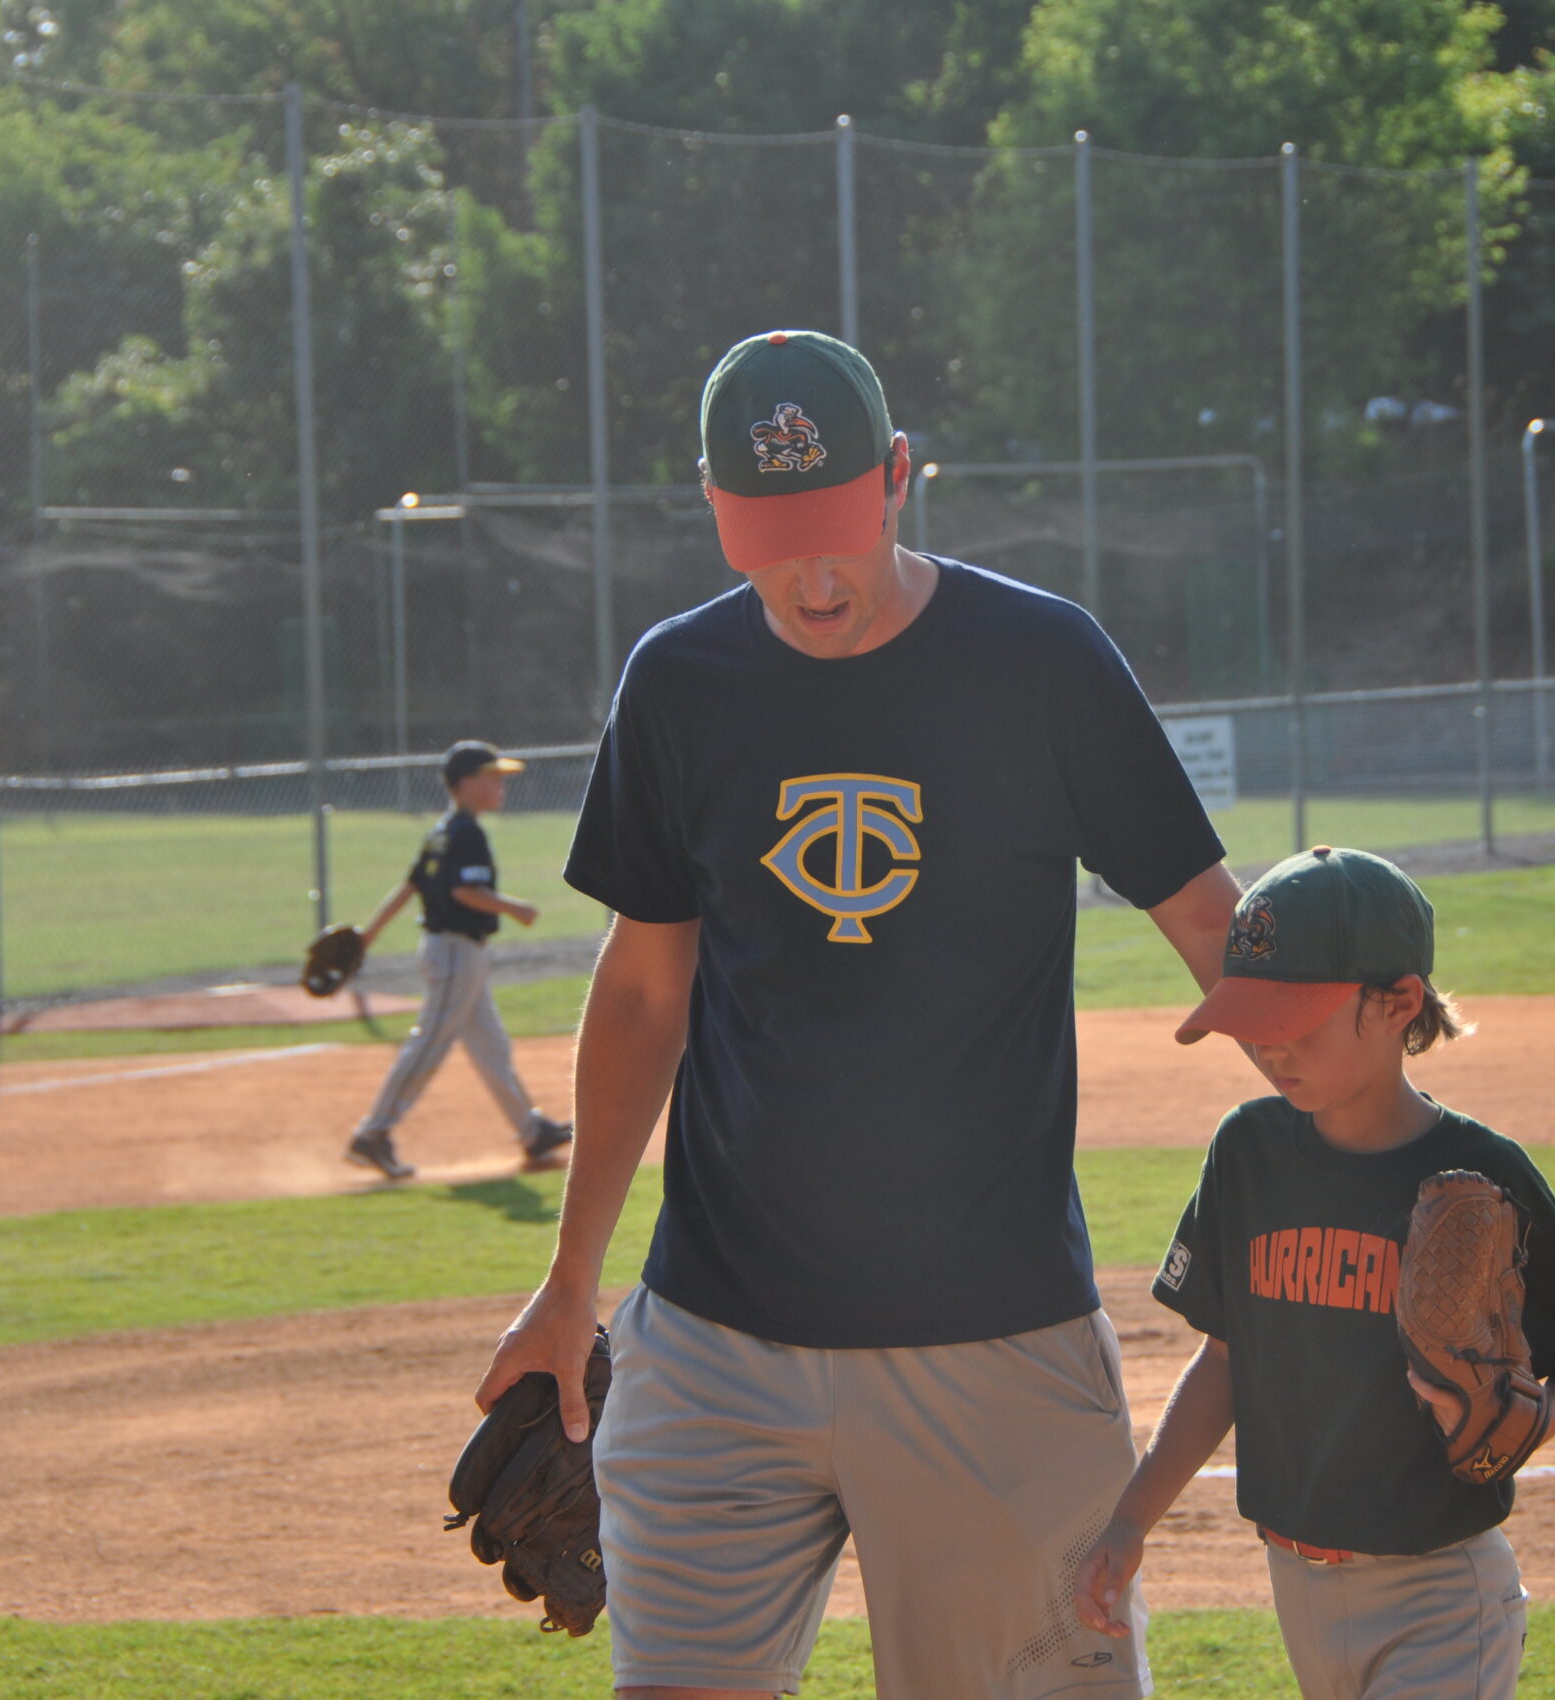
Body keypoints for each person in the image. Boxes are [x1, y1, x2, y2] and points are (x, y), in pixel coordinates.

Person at [473, 329, 1245, 1698]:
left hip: (992, 1353)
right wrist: (572, 1279)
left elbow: (1207, 923)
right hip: (715, 1346)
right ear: (711, 510)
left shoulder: (1040, 662)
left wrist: (1370, 1125)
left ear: (898, 477)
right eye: (772, 538)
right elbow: (648, 984)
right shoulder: (678, 684)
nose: (815, 580)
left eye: (837, 528)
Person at [1073, 847, 1555, 1700]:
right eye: (1249, 1019)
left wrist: (1523, 1423)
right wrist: (1129, 1517)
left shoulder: (1479, 1180)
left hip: (1440, 1593)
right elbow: (1226, 1361)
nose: (1266, 1045)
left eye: (1295, 1020)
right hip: (1294, 1581)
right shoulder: (1249, 1151)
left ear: (1398, 1001)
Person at [342, 739, 574, 1182]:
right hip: (454, 952)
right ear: (466, 785)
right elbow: (464, 892)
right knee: (429, 1043)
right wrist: (515, 908)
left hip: (454, 952)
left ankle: (532, 1131)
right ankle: (373, 1133)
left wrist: (367, 936)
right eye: (492, 779)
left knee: (492, 1046)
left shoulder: (443, 830)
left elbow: (408, 887)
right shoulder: (466, 832)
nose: (500, 787)